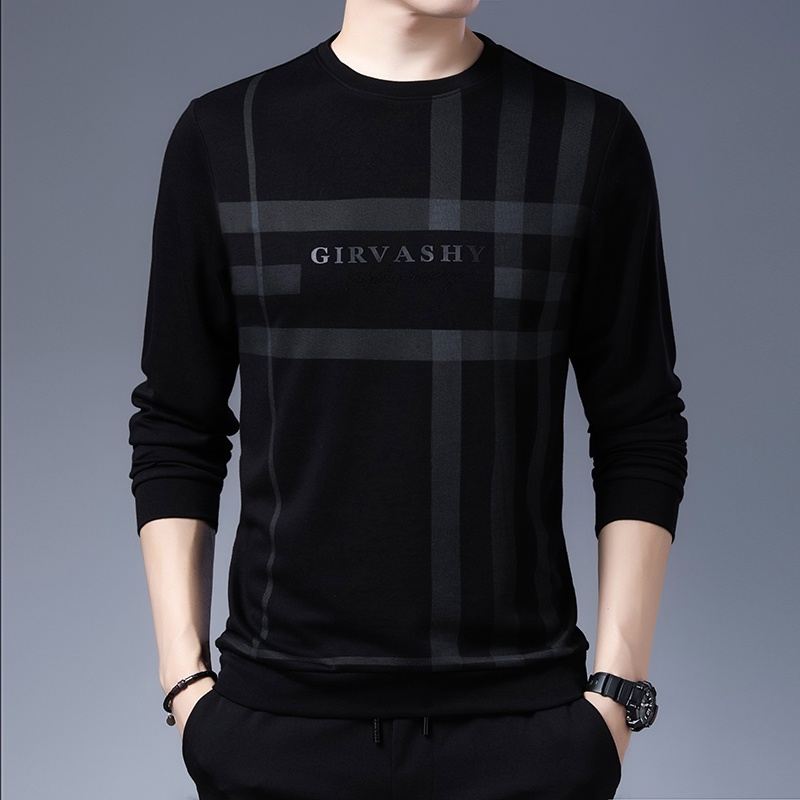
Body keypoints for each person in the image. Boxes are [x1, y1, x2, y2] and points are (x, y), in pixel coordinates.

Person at [129, 1, 688, 797]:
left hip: (524, 733)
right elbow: (178, 424)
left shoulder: (585, 137)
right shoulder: (226, 135)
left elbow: (639, 424)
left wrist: (618, 695)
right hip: (274, 727)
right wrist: (185, 684)